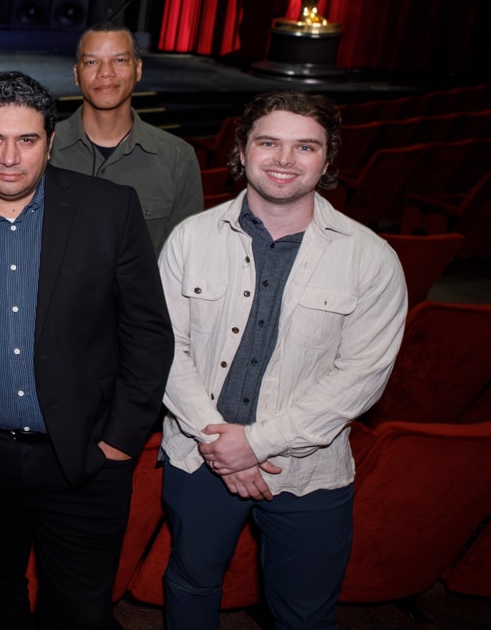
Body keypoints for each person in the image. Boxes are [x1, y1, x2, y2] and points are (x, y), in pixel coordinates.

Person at [0, 71, 173, 629]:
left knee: (78, 611)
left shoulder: (110, 208)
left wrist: (120, 441)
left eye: (27, 140)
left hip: (85, 455)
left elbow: (147, 333)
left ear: (50, 143)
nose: (10, 157)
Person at [158, 90, 406, 628]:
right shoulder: (189, 238)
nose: (285, 160)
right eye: (269, 142)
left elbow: (362, 377)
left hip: (310, 470)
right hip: (201, 456)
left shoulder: (372, 258)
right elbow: (162, 348)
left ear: (328, 158)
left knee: (304, 612)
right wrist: (218, 438)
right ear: (242, 151)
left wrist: (255, 444)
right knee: (191, 585)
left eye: (306, 147)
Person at [50, 23, 202, 253]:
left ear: (138, 69)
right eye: (92, 62)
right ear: (76, 74)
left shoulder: (178, 158)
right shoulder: (42, 150)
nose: (106, 72)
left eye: (119, 60)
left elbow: (186, 257)